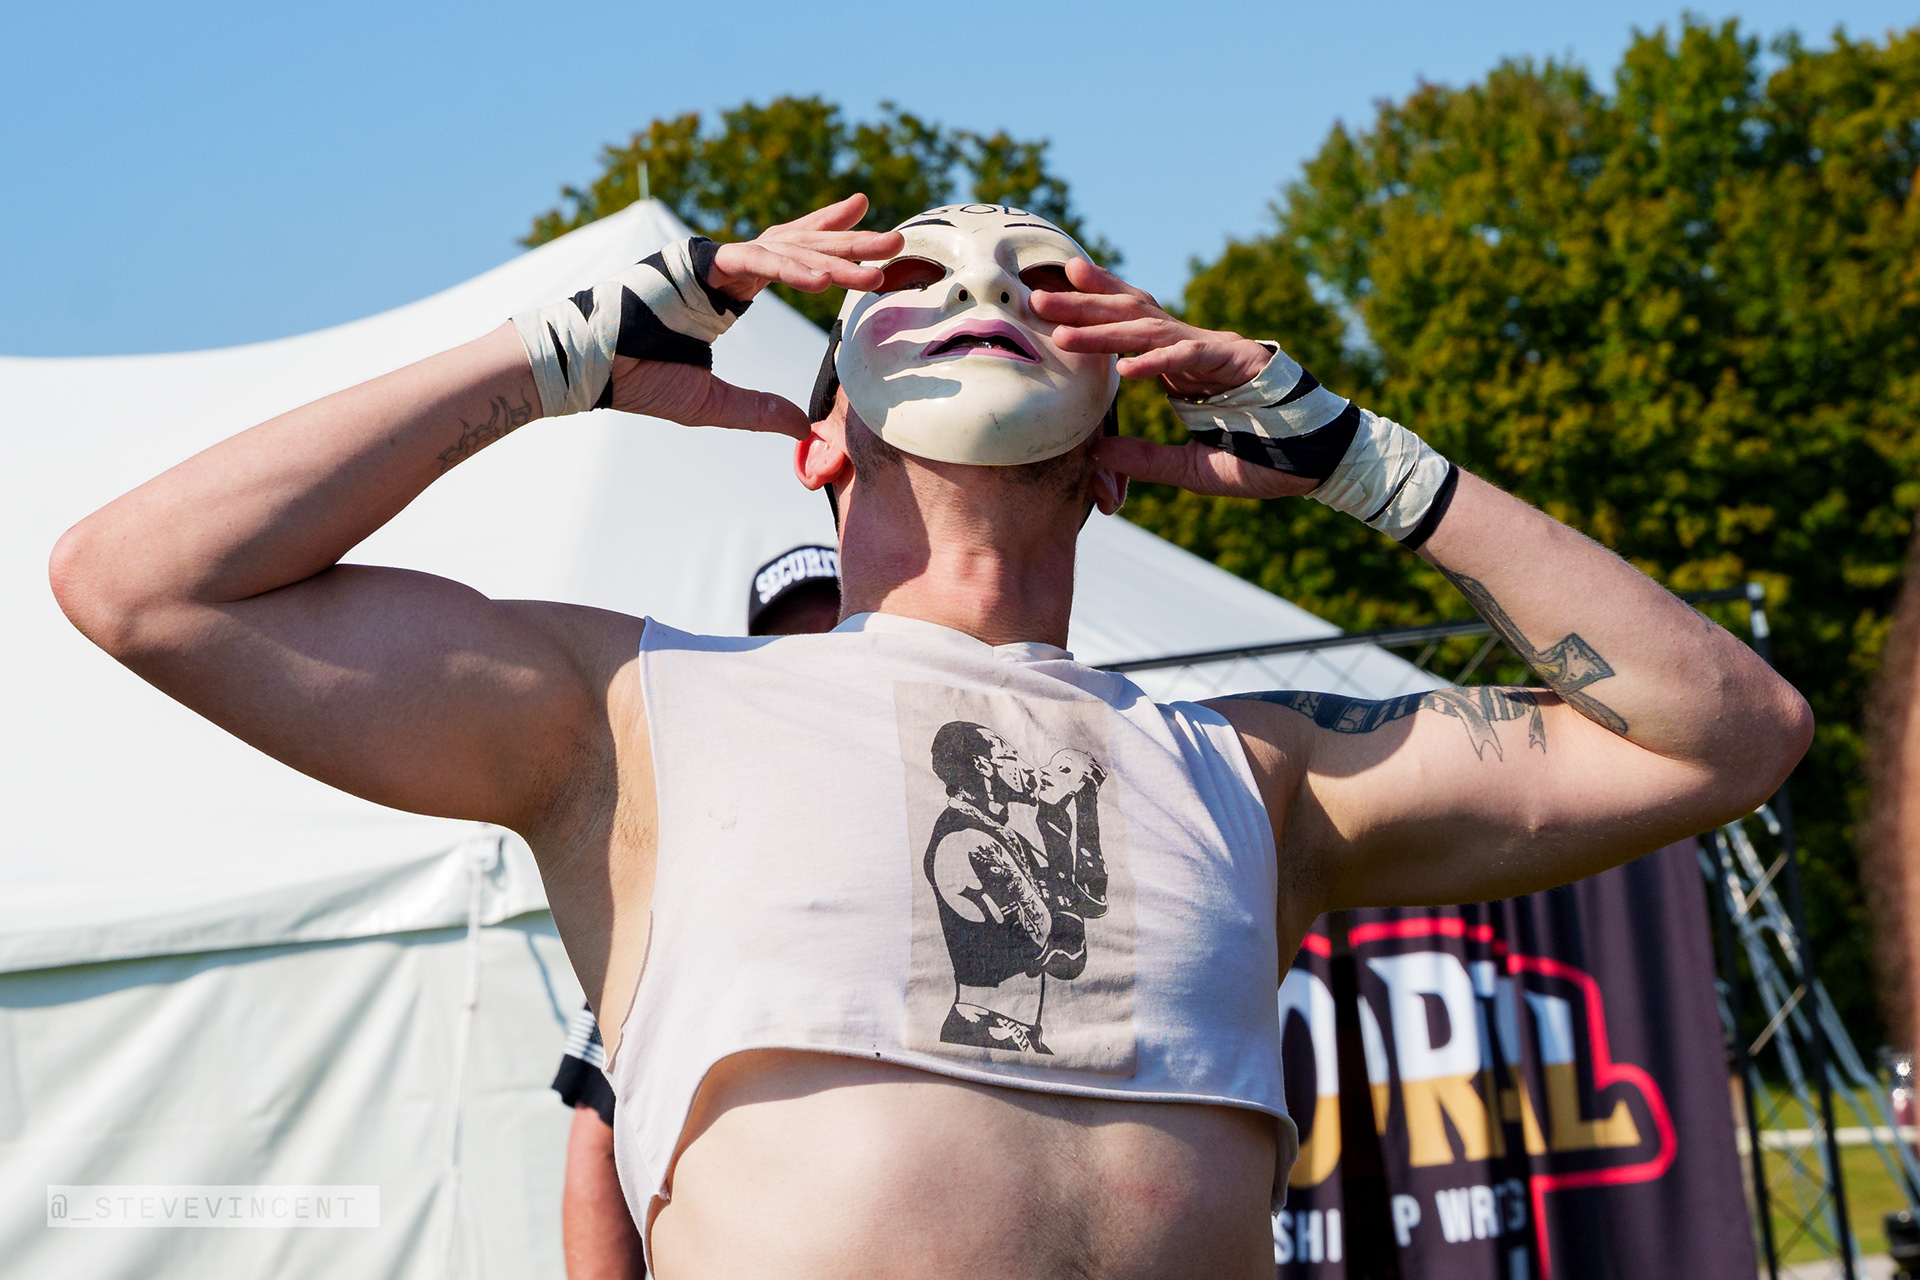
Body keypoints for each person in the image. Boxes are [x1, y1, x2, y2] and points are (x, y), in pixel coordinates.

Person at [51, 193, 1812, 1278]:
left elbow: (1725, 737)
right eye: (912, 272)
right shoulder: (627, 710)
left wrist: (1361, 460)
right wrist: (564, 351)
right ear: (820, 438)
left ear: (1120, 440)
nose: (990, 281)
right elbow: (142, 584)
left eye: (1048, 277)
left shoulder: (1263, 771)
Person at [551, 544, 841, 1280]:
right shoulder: (690, 860)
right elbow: (600, 1131)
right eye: (789, 648)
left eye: (839, 639)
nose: (816, 665)